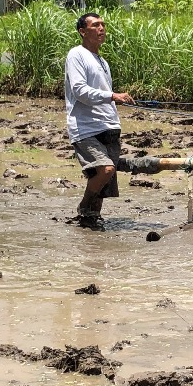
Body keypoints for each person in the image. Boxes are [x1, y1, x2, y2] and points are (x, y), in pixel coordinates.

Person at [64, 12, 134, 229]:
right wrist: (113, 96)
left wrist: (114, 103)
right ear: (83, 32)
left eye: (103, 24)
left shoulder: (102, 61)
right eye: (95, 25)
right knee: (106, 170)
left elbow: (102, 92)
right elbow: (79, 91)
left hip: (109, 124)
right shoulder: (76, 55)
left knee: (102, 182)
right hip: (86, 127)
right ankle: (84, 207)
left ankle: (90, 224)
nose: (101, 28)